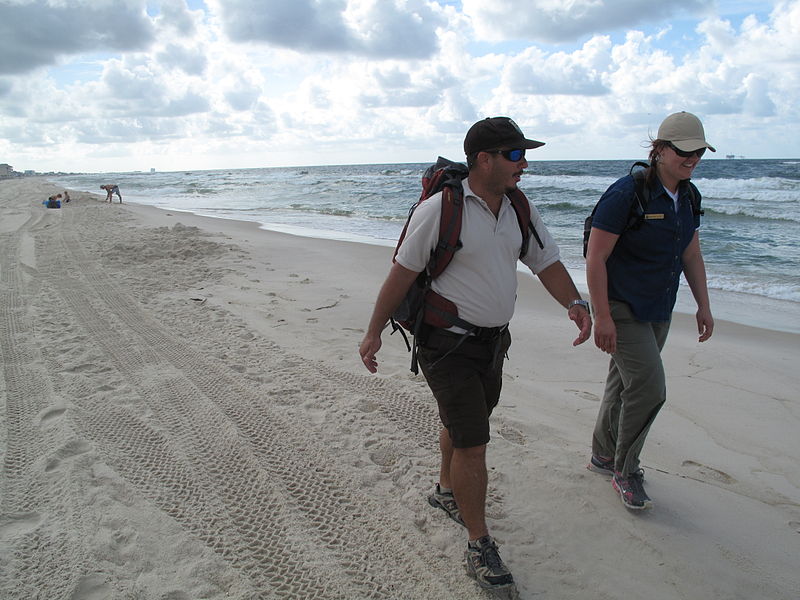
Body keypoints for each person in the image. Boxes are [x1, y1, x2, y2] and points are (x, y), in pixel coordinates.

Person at [358, 117, 592, 590]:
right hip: (444, 344)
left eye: (524, 155)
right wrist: (373, 332)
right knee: (473, 441)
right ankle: (478, 543)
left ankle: (445, 490)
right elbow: (400, 274)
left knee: (461, 423)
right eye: (514, 155)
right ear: (483, 159)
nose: (523, 164)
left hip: (492, 344)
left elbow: (545, 261)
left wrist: (575, 302)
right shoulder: (441, 210)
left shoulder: (518, 208)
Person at [585, 111, 715, 510]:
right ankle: (627, 471)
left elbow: (690, 253)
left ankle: (603, 455)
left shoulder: (688, 195)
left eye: (699, 152)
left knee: (623, 384)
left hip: (658, 307)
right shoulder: (627, 193)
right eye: (684, 151)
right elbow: (595, 258)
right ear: (659, 150)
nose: (692, 159)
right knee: (650, 388)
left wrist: (703, 306)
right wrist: (602, 316)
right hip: (622, 306)